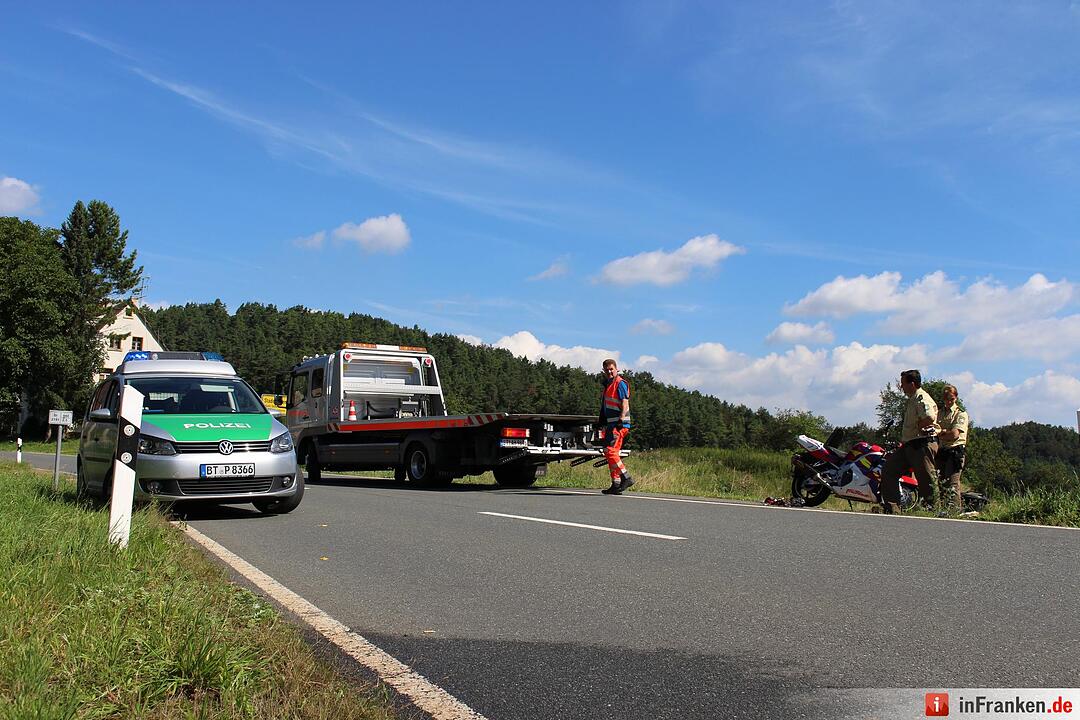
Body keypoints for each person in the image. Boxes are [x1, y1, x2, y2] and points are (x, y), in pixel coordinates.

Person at [880, 369, 940, 512]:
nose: (901, 386)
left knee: (926, 479)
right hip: (910, 444)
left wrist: (919, 426)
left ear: (912, 384)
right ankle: (892, 507)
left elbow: (930, 417)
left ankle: (932, 510)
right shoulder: (913, 398)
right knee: (889, 470)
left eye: (903, 383)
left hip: (922, 444)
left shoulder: (921, 397)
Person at [598, 358, 634, 495]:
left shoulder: (620, 383)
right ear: (603, 371)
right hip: (611, 423)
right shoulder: (609, 385)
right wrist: (602, 420)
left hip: (619, 424)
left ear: (616, 369)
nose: (609, 372)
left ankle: (626, 477)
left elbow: (625, 403)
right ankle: (616, 483)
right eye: (606, 370)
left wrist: (621, 419)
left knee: (610, 451)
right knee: (609, 453)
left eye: (611, 369)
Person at [936, 384, 968, 510]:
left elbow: (954, 435)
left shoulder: (960, 413)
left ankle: (954, 511)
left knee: (952, 484)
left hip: (955, 451)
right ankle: (943, 510)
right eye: (946, 399)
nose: (949, 402)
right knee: (941, 483)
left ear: (956, 398)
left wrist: (941, 433)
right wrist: (944, 433)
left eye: (951, 399)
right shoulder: (938, 413)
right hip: (941, 451)